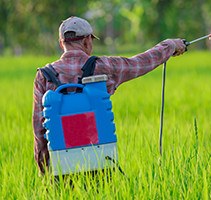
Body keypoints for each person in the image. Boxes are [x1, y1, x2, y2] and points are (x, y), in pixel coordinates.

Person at [32, 16, 187, 175]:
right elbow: (140, 63)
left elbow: (39, 128)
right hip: (101, 162)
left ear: (61, 43)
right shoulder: (103, 66)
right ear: (87, 41)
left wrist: (45, 173)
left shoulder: (44, 76)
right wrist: (170, 45)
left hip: (61, 166)